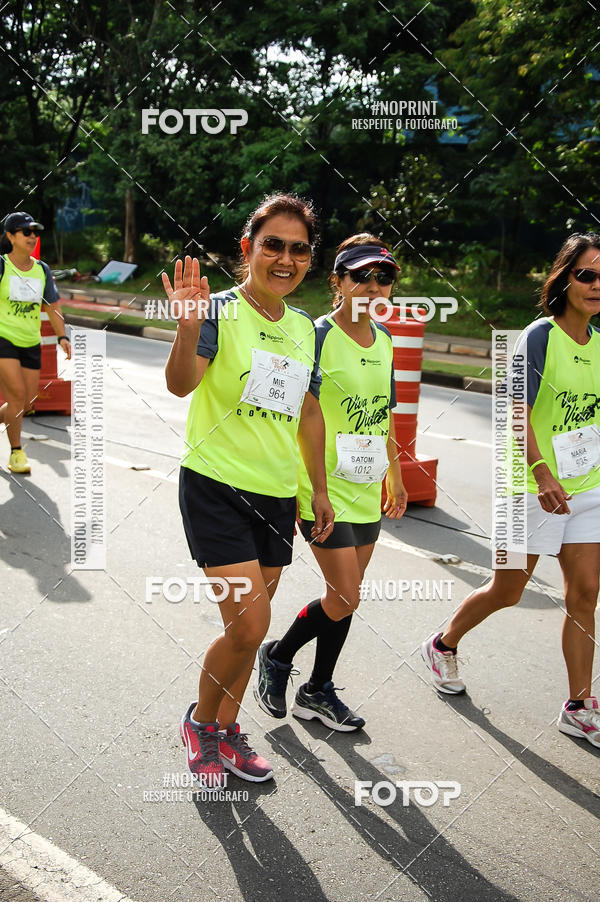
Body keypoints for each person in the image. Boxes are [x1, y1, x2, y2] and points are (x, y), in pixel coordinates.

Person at [163, 193, 334, 787]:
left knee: (249, 629)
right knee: (248, 628)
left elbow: (307, 411)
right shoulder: (218, 311)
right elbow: (180, 385)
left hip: (276, 495)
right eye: (273, 245)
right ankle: (200, 724)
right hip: (215, 486)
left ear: (309, 258)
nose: (285, 259)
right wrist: (188, 329)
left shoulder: (305, 329)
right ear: (248, 248)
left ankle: (229, 730)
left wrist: (317, 490)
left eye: (298, 249)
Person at [422, 232, 600, 747]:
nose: (596, 285)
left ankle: (579, 706)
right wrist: (541, 471)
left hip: (587, 488)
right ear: (564, 279)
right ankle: (443, 643)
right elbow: (514, 410)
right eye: (587, 274)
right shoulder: (539, 337)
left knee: (584, 594)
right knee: (508, 590)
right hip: (528, 485)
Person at [255, 234, 408, 731]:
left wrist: (396, 476)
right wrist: (305, 491)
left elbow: (384, 414)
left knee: (345, 597)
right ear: (338, 281)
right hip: (319, 489)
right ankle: (277, 656)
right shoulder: (316, 335)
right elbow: (297, 413)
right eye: (361, 276)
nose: (373, 286)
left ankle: (317, 690)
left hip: (365, 485)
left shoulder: (384, 340)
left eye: (383, 277)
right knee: (345, 596)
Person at [0, 212, 71, 473]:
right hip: (3, 339)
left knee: (27, 402)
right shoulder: (2, 266)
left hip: (31, 342)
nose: (32, 237)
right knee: (16, 395)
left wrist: (62, 336)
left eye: (35, 232)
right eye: (26, 232)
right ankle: (16, 453)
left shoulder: (42, 270)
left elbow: (52, 306)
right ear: (10, 236)